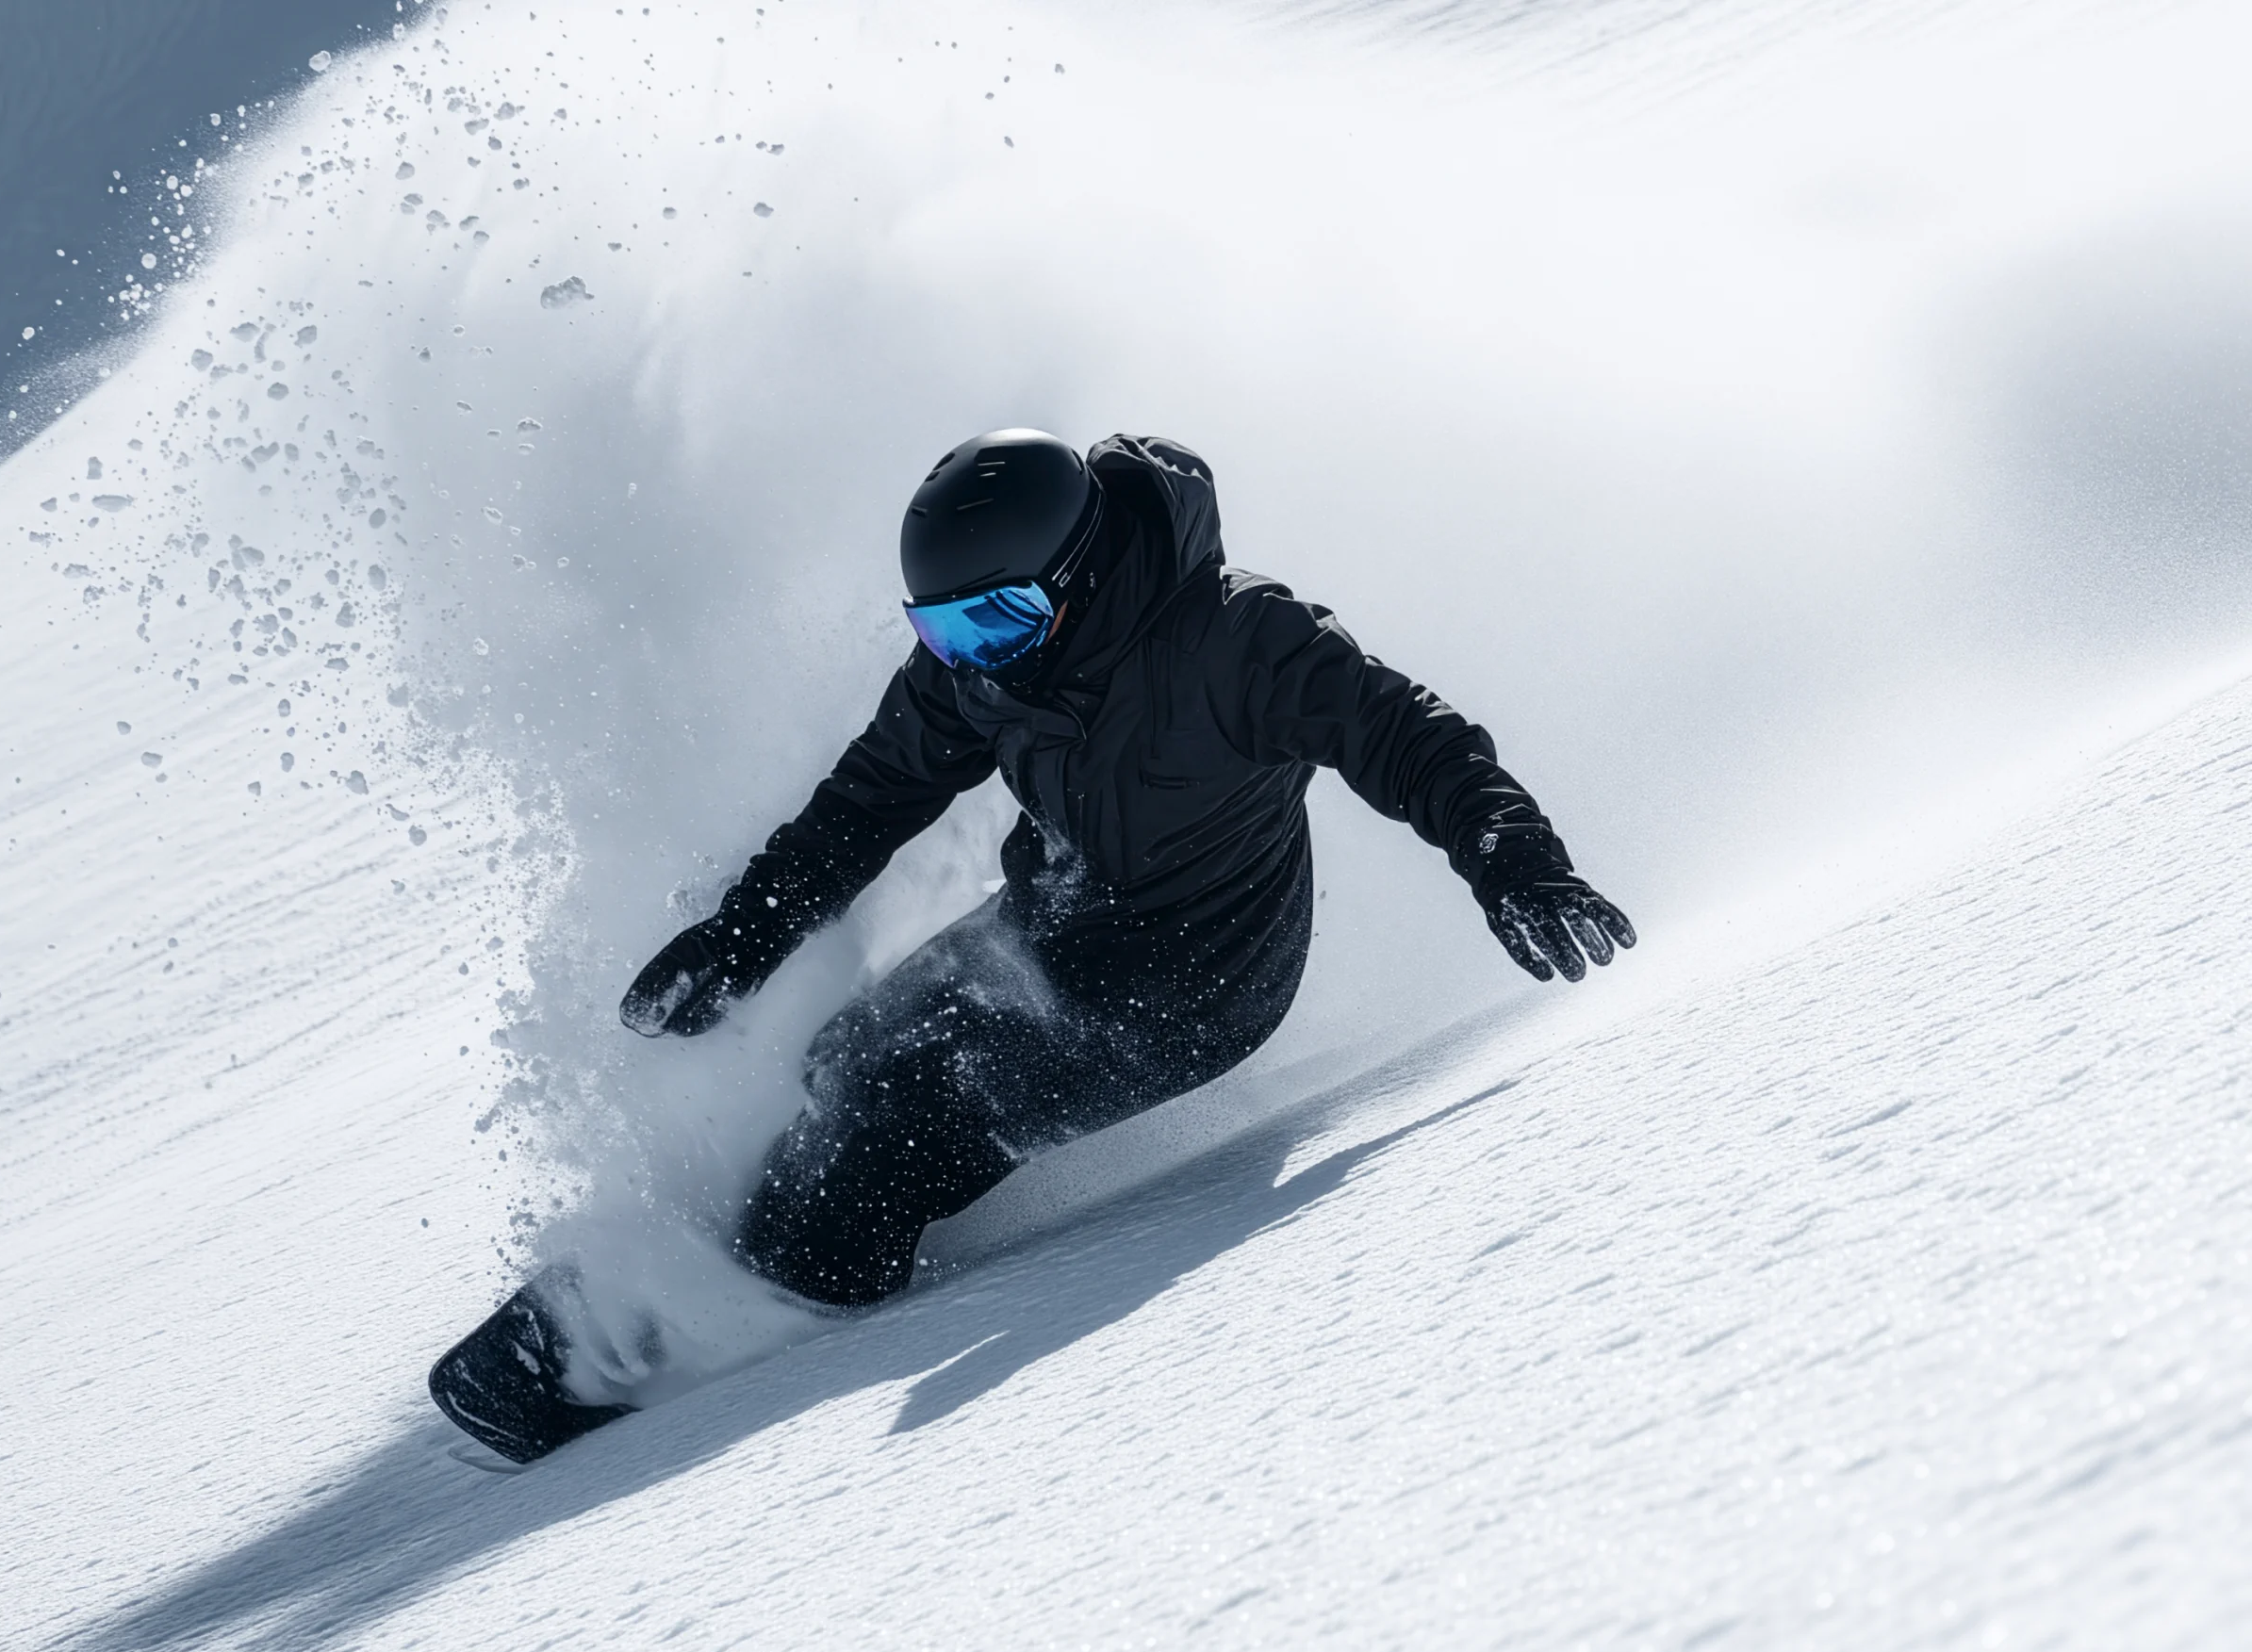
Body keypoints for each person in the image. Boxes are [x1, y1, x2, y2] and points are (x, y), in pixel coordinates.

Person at [430, 429, 1633, 1464]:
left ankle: (715, 1331)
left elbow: (1409, 738)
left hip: (1201, 977)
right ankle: (751, 1248)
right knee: (840, 1055)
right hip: (1048, 923)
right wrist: (744, 937)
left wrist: (1512, 859)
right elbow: (866, 801)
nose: (977, 651)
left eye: (998, 617)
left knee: (903, 1108)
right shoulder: (981, 669)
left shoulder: (1239, 638)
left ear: (1083, 570)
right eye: (945, 629)